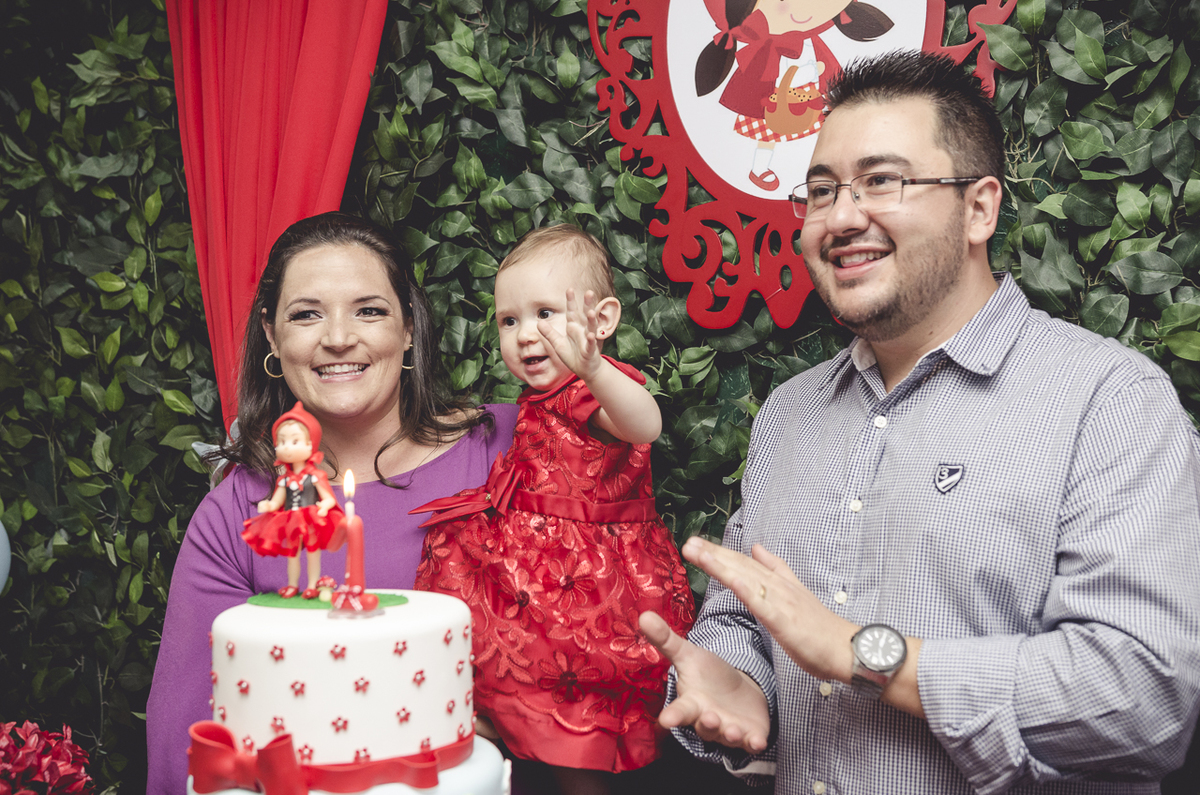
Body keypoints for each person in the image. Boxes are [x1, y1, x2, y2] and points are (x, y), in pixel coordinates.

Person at [639, 50, 1200, 794]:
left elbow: (1144, 697)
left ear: (981, 208)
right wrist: (741, 680)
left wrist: (868, 653)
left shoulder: (1110, 402)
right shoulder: (789, 412)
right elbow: (747, 616)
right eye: (822, 189)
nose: (840, 217)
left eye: (882, 180)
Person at [145, 212, 519, 795]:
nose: (338, 336)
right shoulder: (235, 515)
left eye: (369, 309)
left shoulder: (515, 449)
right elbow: (183, 745)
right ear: (271, 336)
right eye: (306, 313)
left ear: (410, 327)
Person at [412, 225, 696, 795]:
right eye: (509, 320)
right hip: (535, 572)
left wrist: (596, 370)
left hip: (587, 584)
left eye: (546, 313)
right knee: (525, 685)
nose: (524, 334)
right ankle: (493, 724)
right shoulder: (542, 396)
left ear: (602, 321)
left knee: (578, 711)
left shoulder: (593, 389)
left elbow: (646, 425)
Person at [694, 0, 893, 191]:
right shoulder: (768, 46)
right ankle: (759, 168)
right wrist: (811, 71)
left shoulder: (807, 39)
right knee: (767, 137)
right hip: (776, 99)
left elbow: (825, 65)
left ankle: (823, 163)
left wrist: (821, 73)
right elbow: (776, 76)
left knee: (820, 130)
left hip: (809, 95)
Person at [239, 401, 345, 598]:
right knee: (292, 554)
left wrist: (324, 507)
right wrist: (269, 505)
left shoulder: (314, 476)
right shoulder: (284, 479)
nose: (287, 448)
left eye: (295, 442)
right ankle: (293, 585)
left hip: (311, 518)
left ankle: (312, 584)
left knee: (313, 553)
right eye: (281, 442)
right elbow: (277, 501)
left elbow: (329, 498)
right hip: (291, 519)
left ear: (310, 444)